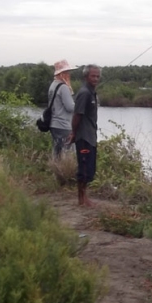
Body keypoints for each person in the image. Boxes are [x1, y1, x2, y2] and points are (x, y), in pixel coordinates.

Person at [69, 64, 101, 206]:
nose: (95, 79)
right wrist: (74, 133)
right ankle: (81, 199)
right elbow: (77, 115)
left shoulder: (92, 92)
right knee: (83, 168)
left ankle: (84, 196)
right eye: (93, 76)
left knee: (89, 168)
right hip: (83, 137)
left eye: (97, 76)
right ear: (86, 76)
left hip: (91, 136)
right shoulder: (84, 93)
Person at [48, 59, 77, 158]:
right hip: (63, 125)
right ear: (61, 74)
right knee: (68, 152)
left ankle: (55, 169)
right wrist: (79, 105)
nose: (69, 75)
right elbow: (70, 107)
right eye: (66, 72)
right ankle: (66, 171)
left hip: (54, 124)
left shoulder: (53, 85)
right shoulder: (63, 87)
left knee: (57, 151)